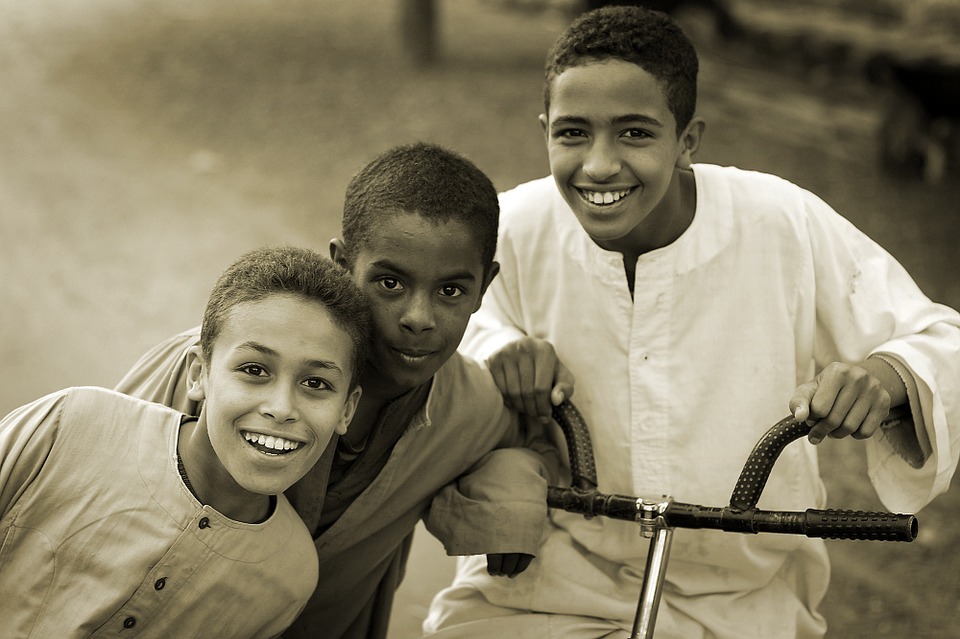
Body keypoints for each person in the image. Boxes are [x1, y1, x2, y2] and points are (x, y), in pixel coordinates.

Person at [423, 6, 960, 639]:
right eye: (572, 133)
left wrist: (884, 375)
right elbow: (439, 332)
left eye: (635, 134)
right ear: (544, 131)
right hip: (544, 579)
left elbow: (938, 341)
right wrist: (502, 350)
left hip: (741, 593)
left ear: (688, 141)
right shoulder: (511, 227)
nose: (599, 165)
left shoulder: (779, 222)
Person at [114, 142, 559, 638]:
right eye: (390, 283)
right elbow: (92, 475)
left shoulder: (470, 406)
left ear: (484, 286)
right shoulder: (220, 367)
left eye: (451, 291)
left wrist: (510, 496)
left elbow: (527, 443)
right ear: (343, 263)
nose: (418, 318)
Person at [0, 245, 370, 638]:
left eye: (316, 384)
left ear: (346, 410)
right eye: (254, 370)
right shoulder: (72, 425)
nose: (281, 408)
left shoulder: (292, 573)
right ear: (199, 374)